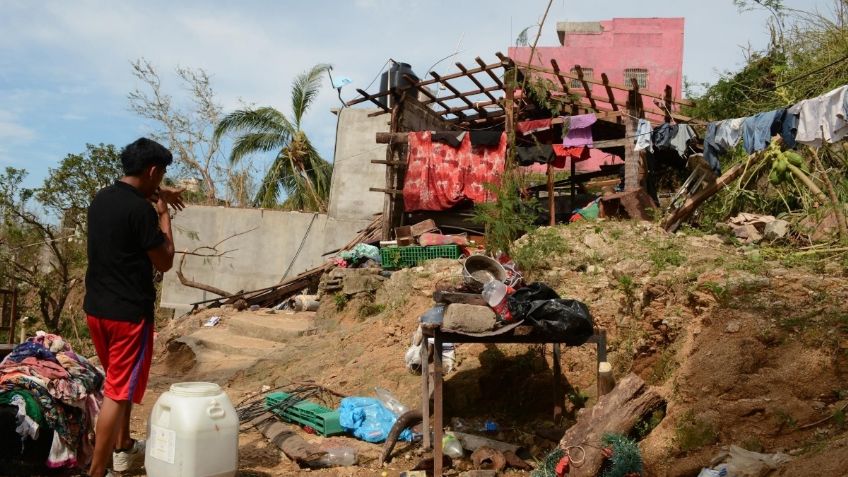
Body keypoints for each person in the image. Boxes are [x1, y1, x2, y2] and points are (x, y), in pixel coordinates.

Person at [83, 137, 184, 477]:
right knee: (116, 391)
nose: (162, 179)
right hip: (128, 316)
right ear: (152, 170)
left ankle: (123, 446)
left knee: (118, 382)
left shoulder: (101, 200)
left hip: (96, 309)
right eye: (162, 174)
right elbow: (165, 261)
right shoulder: (142, 211)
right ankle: (98, 471)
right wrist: (165, 216)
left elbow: (140, 196)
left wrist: (160, 193)